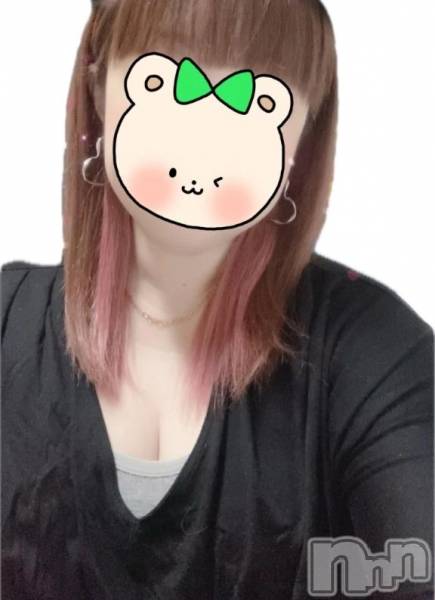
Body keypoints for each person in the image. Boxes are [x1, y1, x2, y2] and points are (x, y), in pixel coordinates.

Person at [1, 0, 433, 598]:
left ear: (301, 140)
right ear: (98, 88)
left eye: (260, 98)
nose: (206, 134)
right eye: (165, 74)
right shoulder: (7, 324)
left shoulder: (375, 351)